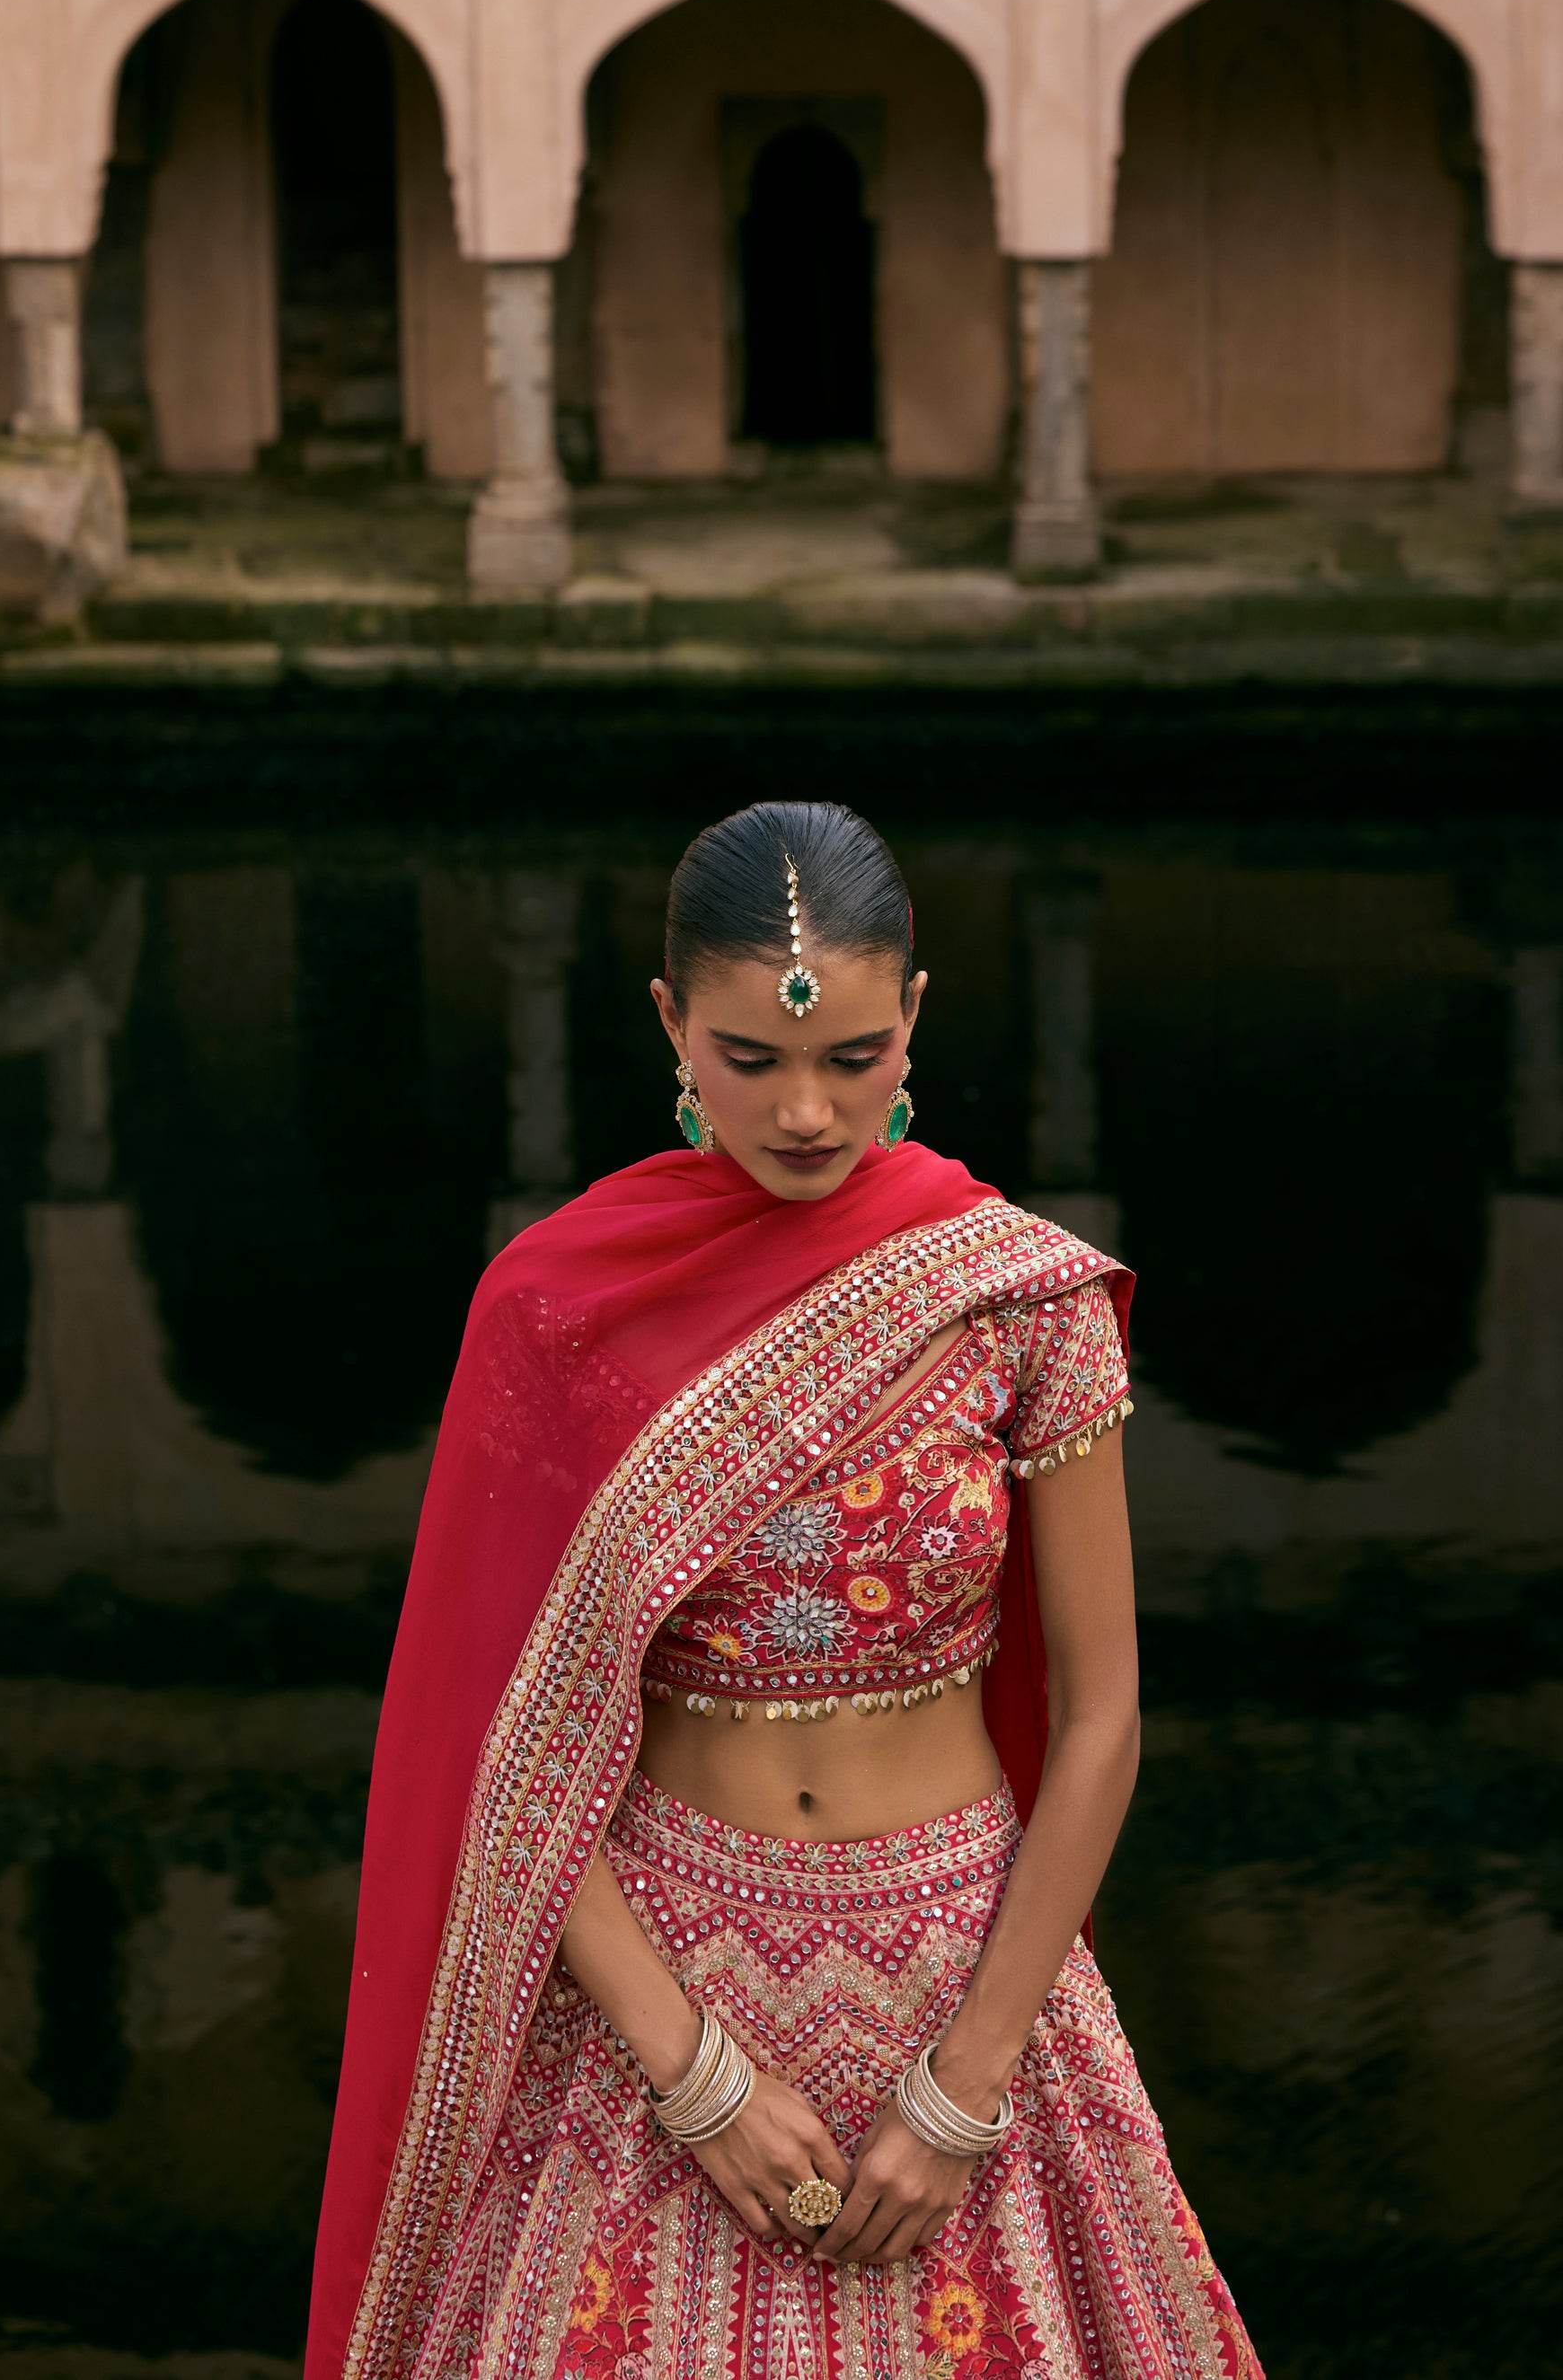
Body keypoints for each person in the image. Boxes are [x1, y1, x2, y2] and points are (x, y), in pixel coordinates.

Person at [305, 801, 1260, 2380]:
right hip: (652, 1982)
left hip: (964, 1968)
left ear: (917, 1021)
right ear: (672, 1022)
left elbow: (1101, 1719)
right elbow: (506, 1739)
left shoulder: (1020, 1298)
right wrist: (695, 2077)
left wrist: (967, 2087)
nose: (809, 1110)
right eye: (752, 1060)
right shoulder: (560, 1310)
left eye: (855, 1054)